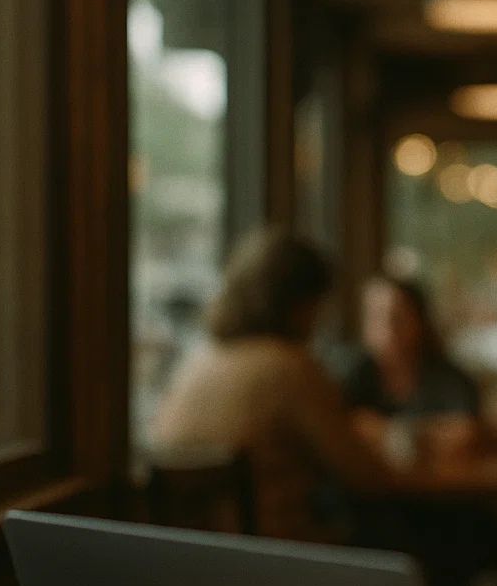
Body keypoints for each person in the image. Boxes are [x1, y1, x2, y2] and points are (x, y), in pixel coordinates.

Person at [150, 227, 402, 543]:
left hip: (190, 559)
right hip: (275, 557)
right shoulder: (290, 366)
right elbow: (367, 476)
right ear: (301, 304)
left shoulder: (198, 360)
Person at [342, 274, 482, 466]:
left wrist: (389, 434)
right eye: (376, 316)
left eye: (397, 317)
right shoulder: (354, 376)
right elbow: (347, 430)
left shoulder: (449, 380)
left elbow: (463, 436)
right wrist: (425, 436)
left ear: (419, 322)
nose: (388, 328)